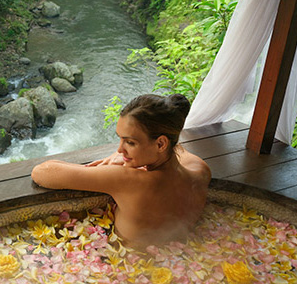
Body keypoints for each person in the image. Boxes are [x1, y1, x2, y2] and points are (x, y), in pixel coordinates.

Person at [31, 94, 211, 249]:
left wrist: (121, 163)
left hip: (132, 266)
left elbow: (42, 172)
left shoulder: (130, 181)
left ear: (160, 144)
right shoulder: (200, 171)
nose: (119, 150)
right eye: (120, 140)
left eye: (130, 142)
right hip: (176, 259)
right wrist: (133, 154)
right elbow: (178, 151)